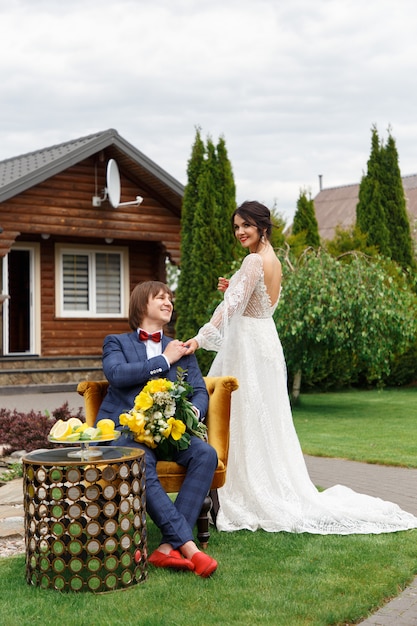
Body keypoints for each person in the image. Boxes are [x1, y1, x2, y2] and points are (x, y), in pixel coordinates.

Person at [184, 200, 417, 534]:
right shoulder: (273, 260)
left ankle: (241, 490)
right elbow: (253, 299)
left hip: (249, 345)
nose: (239, 232)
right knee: (265, 418)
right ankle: (252, 482)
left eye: (245, 225)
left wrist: (199, 338)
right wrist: (232, 288)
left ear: (262, 226)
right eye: (236, 227)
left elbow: (233, 309)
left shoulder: (252, 260)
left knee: (242, 414)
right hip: (266, 341)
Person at [96, 281, 218, 577]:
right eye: (160, 297)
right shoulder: (117, 342)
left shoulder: (183, 347)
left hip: (170, 430)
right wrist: (165, 360)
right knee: (140, 462)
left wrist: (191, 413)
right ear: (141, 305)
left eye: (170, 298)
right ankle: (189, 548)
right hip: (130, 431)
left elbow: (200, 392)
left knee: (205, 454)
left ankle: (166, 548)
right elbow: (116, 374)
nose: (168, 302)